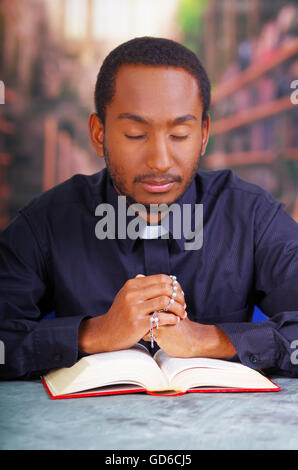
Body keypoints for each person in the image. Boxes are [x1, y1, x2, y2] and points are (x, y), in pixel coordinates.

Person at [1, 36, 298, 381]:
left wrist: (208, 339)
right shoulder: (48, 222)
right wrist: (95, 334)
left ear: (203, 134)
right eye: (135, 134)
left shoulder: (251, 216)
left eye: (180, 135)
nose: (159, 161)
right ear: (99, 134)